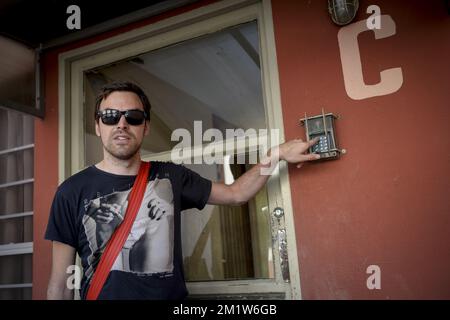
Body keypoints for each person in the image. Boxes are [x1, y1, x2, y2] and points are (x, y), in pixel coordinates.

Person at [45, 81, 320, 300]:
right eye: (110, 116)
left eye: (134, 116)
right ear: (97, 126)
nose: (121, 124)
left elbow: (237, 194)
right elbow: (60, 285)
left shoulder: (171, 177)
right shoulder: (71, 191)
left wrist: (275, 155)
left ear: (146, 126)